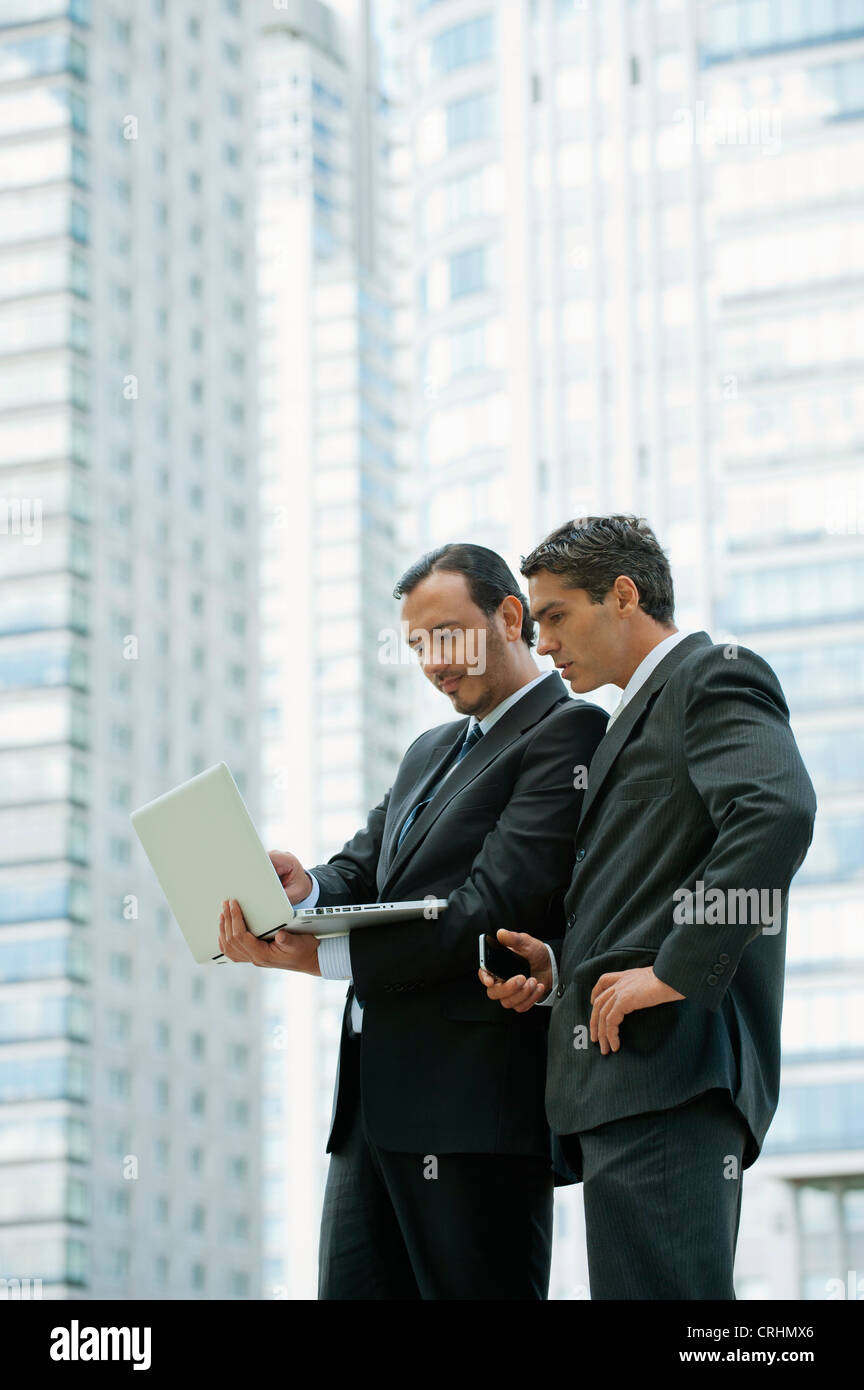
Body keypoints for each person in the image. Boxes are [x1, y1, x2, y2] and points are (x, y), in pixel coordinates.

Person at [218, 543, 607, 1299]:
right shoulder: (429, 751)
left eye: (448, 635)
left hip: (475, 1116)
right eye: (417, 646)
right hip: (369, 1117)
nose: (433, 662)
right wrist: (300, 895)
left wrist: (319, 960)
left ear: (510, 616)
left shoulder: (568, 734)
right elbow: (361, 871)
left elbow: (487, 913)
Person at [480, 515, 817, 1299]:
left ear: (623, 595)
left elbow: (777, 812)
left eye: (556, 615)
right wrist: (562, 963)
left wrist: (673, 969)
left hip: (672, 1065)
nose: (543, 642)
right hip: (626, 1076)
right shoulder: (630, 720)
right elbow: (647, 882)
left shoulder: (710, 674)